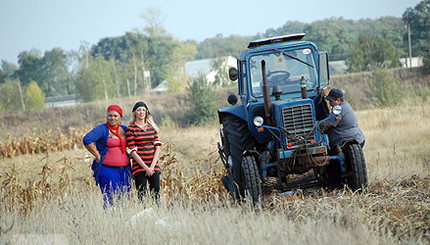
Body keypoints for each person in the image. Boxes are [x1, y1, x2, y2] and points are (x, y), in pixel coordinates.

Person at [83, 105, 131, 207]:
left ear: (120, 117)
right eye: (110, 115)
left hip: (125, 170)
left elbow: (137, 138)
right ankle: (111, 220)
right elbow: (87, 139)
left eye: (115, 116)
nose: (112, 118)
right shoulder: (102, 129)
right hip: (108, 170)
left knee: (125, 198)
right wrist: (97, 155)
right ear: (106, 116)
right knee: (111, 198)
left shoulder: (125, 129)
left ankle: (123, 220)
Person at [320, 88, 365, 187]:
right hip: (356, 137)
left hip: (343, 140)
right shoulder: (345, 105)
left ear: (337, 100)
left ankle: (334, 184)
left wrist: (316, 126)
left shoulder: (338, 109)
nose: (330, 103)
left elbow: (325, 125)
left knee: (330, 158)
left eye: (331, 101)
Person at [126, 102, 162, 203]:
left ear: (146, 112)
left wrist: (151, 167)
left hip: (153, 166)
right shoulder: (131, 129)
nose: (141, 112)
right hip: (139, 167)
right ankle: (143, 217)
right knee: (141, 196)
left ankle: (157, 215)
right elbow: (132, 151)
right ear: (135, 113)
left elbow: (157, 147)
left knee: (156, 195)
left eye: (143, 110)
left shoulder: (151, 128)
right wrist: (146, 168)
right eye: (139, 110)